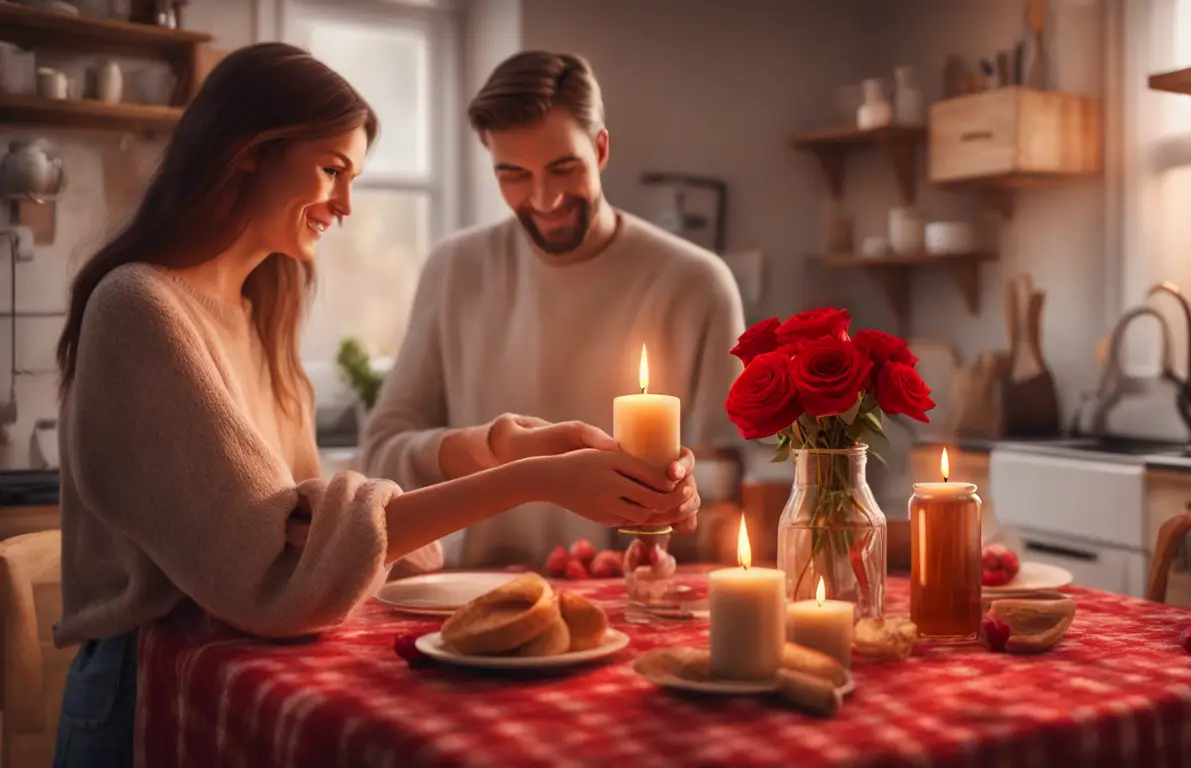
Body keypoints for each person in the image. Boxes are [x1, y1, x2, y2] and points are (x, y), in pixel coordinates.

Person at [50, 43, 697, 767]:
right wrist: (529, 481)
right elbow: (272, 574)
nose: (346, 206)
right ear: (246, 152)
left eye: (351, 178)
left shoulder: (253, 306)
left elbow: (311, 523)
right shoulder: (140, 309)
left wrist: (502, 445)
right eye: (332, 170)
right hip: (148, 691)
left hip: (240, 679)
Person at [361, 51, 746, 567]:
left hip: (626, 591)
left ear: (601, 148)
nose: (543, 199)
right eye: (513, 174)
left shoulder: (697, 283)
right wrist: (497, 449)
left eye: (563, 169)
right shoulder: (454, 268)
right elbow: (382, 455)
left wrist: (683, 496)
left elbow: (729, 484)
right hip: (473, 595)